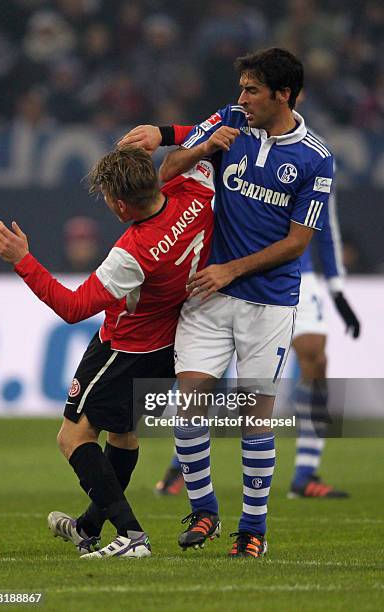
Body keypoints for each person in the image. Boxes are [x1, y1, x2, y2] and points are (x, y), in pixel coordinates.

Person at [121, 47, 334, 558]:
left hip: (268, 303)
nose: (241, 98)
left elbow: (298, 242)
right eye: (241, 88)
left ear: (283, 94)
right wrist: (201, 148)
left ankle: (253, 529)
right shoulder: (230, 121)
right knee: (187, 408)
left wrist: (232, 269)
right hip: (207, 296)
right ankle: (205, 513)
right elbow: (167, 172)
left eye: (252, 89)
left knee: (254, 419)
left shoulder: (315, 157)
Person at [0, 145, 215, 559]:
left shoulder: (132, 252)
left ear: (118, 203)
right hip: (169, 345)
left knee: (72, 436)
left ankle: (131, 534)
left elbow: (74, 308)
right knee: (123, 436)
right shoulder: (196, 193)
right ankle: (89, 526)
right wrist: (173, 135)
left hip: (124, 347)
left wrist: (23, 260)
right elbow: (211, 140)